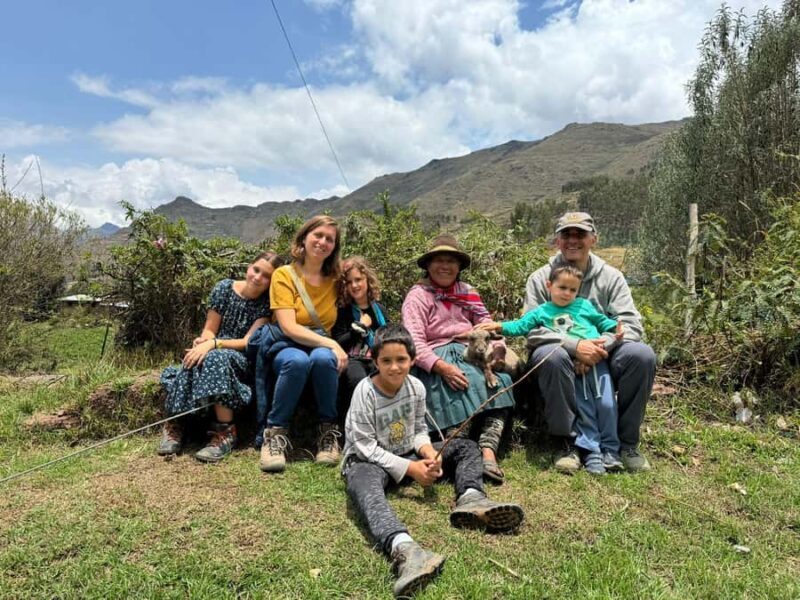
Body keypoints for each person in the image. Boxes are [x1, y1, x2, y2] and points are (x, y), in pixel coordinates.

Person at [342, 324, 524, 598]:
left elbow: (417, 430)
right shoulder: (365, 392)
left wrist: (427, 452)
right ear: (375, 361)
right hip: (368, 461)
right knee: (363, 482)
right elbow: (364, 446)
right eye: (386, 361)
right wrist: (410, 469)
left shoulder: (415, 386)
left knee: (466, 446)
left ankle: (472, 498)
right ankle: (404, 548)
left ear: (413, 360)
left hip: (407, 451)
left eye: (401, 360)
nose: (394, 367)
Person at [522, 212, 656, 474]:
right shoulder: (540, 278)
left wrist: (597, 349)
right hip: (558, 352)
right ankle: (567, 443)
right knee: (551, 355)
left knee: (642, 355)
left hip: (604, 354)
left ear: (593, 239)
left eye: (580, 234)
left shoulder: (611, 277)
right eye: (566, 235)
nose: (573, 240)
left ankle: (626, 444)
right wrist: (574, 348)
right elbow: (532, 330)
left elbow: (629, 325)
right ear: (556, 241)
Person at [477, 265, 625, 474]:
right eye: (562, 287)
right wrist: (499, 326)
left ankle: (611, 450)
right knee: (585, 406)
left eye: (572, 289)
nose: (567, 293)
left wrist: (616, 328)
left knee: (607, 404)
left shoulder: (584, 306)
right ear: (549, 286)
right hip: (572, 363)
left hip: (596, 360)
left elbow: (605, 323)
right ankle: (592, 453)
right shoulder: (542, 311)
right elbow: (521, 326)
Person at [401, 234, 514, 484]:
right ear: (428, 266)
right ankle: (455, 448)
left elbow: (488, 325)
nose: (445, 266)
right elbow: (414, 341)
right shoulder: (418, 296)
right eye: (439, 260)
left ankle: (488, 449)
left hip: (471, 349)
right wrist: (441, 367)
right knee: (457, 383)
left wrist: (497, 350)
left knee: (501, 380)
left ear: (459, 266)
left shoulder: (468, 293)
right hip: (436, 355)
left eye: (451, 261)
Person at [158, 251, 285, 462]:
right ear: (249, 267)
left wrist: (213, 345)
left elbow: (247, 342)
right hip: (214, 346)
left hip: (240, 357)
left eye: (266, 276)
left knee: (215, 358)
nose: (257, 277)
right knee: (194, 356)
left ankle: (225, 432)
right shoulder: (224, 288)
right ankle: (176, 424)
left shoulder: (266, 303)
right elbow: (210, 329)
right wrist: (203, 342)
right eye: (256, 270)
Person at [259, 215, 349, 473]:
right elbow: (288, 326)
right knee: (296, 361)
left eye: (329, 239)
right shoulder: (283, 275)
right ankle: (274, 435)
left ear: (334, 247)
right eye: (317, 235)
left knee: (323, 359)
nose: (322, 242)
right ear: (304, 238)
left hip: (320, 345)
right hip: (287, 343)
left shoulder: (335, 279)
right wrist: (333, 344)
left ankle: (328, 433)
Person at [332, 256, 388, 419]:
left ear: (367, 280)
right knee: (358, 382)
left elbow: (389, 334)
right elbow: (339, 341)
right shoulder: (344, 310)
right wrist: (359, 328)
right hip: (354, 359)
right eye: (349, 282)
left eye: (358, 279)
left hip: (377, 358)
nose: (354, 285)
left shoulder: (379, 310)